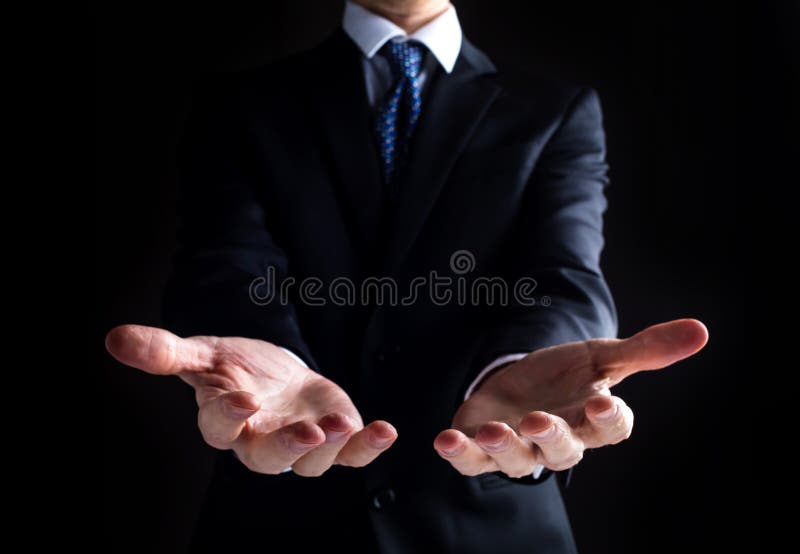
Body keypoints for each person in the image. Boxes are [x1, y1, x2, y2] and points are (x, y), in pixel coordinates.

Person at [105, 1, 708, 552]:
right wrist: (259, 362)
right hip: (281, 516)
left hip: (491, 525)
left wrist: (527, 367)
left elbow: (565, 272)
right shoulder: (242, 104)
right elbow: (225, 265)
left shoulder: (556, 111)